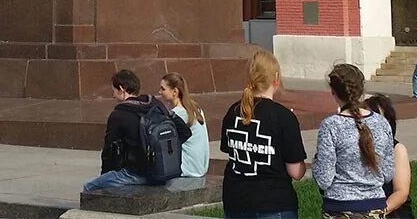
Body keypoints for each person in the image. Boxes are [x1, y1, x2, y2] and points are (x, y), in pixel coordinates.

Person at [220, 50, 306, 219]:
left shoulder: (233, 111)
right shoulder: (283, 117)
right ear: (276, 79)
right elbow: (296, 171)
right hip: (273, 203)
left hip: (235, 200)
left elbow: (230, 152)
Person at [83, 69, 190, 191]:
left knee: (89, 187)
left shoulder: (119, 114)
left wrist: (105, 176)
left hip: (137, 173)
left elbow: (109, 151)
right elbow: (185, 131)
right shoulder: (155, 104)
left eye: (113, 90)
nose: (113, 95)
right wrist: (163, 152)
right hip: (164, 171)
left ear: (121, 89)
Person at [313, 63, 394, 219]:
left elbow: (324, 179)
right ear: (362, 90)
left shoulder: (330, 125)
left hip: (339, 207)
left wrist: (316, 161)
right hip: (375, 207)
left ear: (333, 92)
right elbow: (387, 174)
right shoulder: (382, 123)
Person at [364, 94, 413, 218]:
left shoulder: (397, 149)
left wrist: (374, 215)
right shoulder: (354, 148)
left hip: (391, 212)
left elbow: (401, 193)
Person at [160, 72, 209, 177]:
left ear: (175, 91)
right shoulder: (196, 108)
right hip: (200, 166)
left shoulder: (179, 114)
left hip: (188, 168)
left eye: (163, 89)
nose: (160, 92)